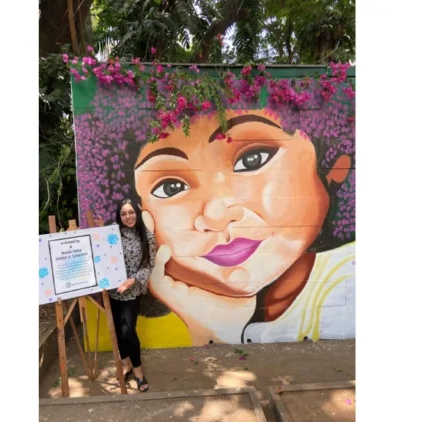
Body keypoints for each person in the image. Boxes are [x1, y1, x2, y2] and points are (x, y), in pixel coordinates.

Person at [133, 109, 355, 346]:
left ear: (332, 165)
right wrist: (215, 325)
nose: (217, 216)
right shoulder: (174, 320)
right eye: (171, 188)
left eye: (253, 159)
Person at [108, 198, 156, 392]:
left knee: (128, 330)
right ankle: (125, 362)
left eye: (131, 212)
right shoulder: (112, 234)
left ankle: (138, 370)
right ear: (119, 217)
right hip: (113, 290)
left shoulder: (147, 236)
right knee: (118, 331)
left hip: (132, 291)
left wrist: (133, 280)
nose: (128, 217)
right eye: (123, 213)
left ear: (137, 213)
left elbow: (149, 265)